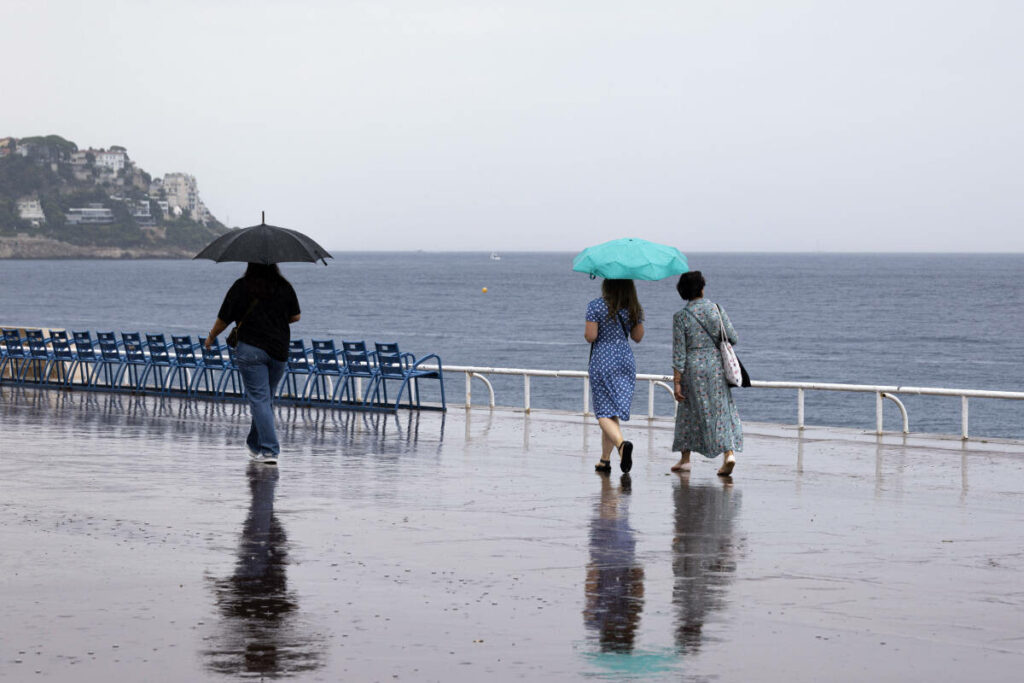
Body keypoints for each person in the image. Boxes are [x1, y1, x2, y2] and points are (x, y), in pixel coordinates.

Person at [206, 263, 301, 465]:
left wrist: (211, 336)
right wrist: (275, 319)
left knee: (259, 399)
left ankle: (270, 450)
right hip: (278, 349)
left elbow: (224, 318)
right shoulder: (284, 286)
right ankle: (254, 444)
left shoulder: (241, 286)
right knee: (265, 399)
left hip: (250, 348)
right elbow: (296, 316)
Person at [671, 270, 743, 475]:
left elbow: (679, 352)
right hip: (715, 366)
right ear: (702, 288)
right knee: (721, 409)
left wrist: (677, 381)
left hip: (692, 368)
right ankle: (728, 454)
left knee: (687, 411)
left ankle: (685, 459)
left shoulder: (681, 317)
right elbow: (733, 338)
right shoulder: (716, 310)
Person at [585, 279, 644, 473]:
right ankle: (605, 459)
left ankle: (621, 445)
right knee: (612, 412)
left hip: (603, 359)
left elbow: (591, 336)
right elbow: (637, 337)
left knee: (602, 412)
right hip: (625, 360)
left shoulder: (595, 306)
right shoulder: (633, 307)